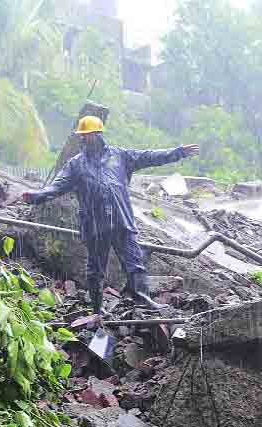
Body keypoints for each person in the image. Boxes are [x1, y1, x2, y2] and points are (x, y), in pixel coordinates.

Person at [21, 115, 200, 315]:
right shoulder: (76, 164)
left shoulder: (119, 156)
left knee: (134, 263)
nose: (86, 138)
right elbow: (57, 185)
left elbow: (149, 157)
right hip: (95, 226)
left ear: (99, 134)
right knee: (96, 269)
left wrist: (178, 152)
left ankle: (142, 298)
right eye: (84, 135)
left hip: (121, 220)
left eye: (90, 134)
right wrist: (36, 196)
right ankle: (97, 309)